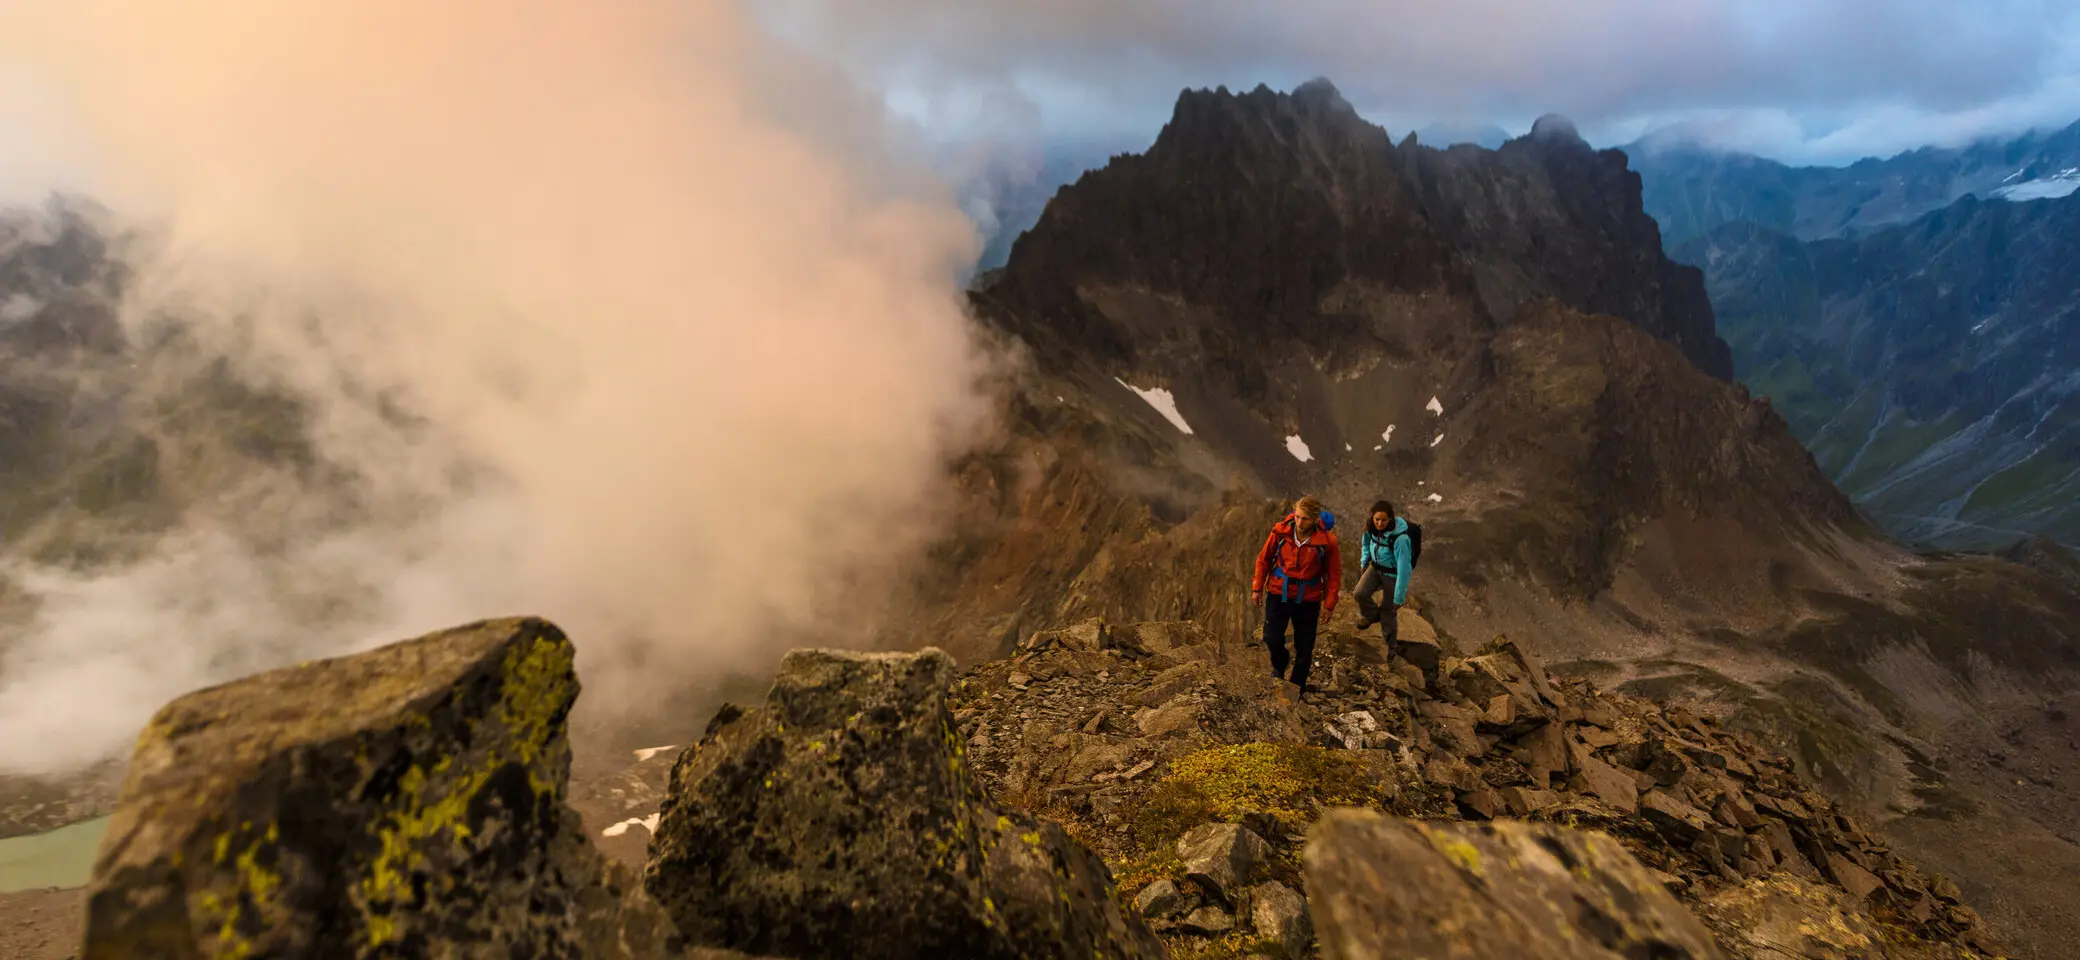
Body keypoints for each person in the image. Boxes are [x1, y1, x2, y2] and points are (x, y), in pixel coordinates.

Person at [1251, 495, 1341, 698]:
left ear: (1316, 519)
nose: (1300, 523)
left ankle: (1297, 687)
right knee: (1271, 638)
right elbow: (1263, 560)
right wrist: (1257, 588)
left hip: (1308, 598)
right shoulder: (1280, 533)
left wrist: (1329, 603)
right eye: (1298, 517)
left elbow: (1334, 574)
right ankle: (1280, 665)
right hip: (1278, 591)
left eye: (1305, 519)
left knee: (1305, 646)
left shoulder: (1327, 542)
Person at [1354, 500, 1413, 642]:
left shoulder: (1401, 539)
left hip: (1392, 574)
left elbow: (1404, 569)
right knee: (1359, 593)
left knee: (1389, 611)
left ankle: (1390, 645)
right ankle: (1372, 616)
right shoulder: (1370, 527)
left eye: (1384, 520)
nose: (1380, 524)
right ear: (1372, 517)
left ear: (1391, 519)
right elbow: (1366, 544)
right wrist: (1364, 562)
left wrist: (1399, 597)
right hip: (1374, 568)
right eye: (1377, 519)